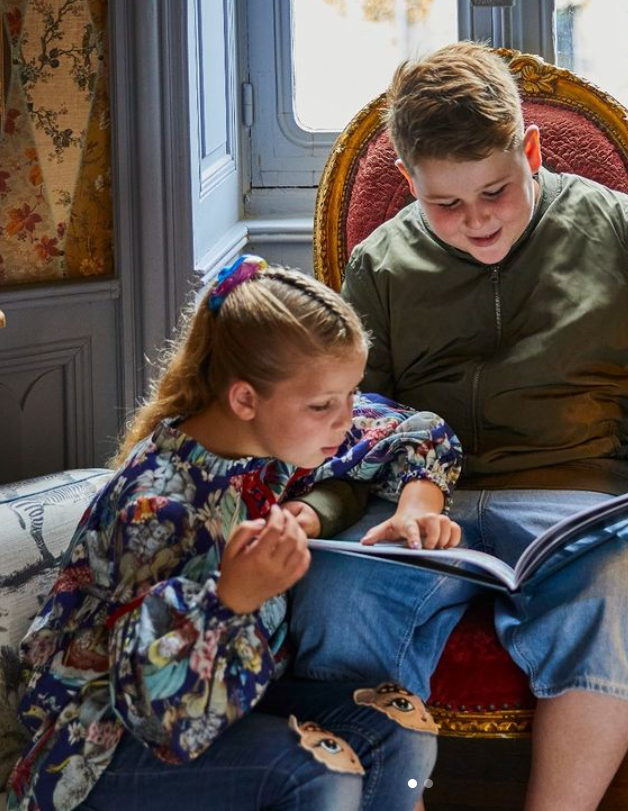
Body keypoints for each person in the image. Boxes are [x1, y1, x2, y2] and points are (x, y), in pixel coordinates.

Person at [288, 42, 628, 811]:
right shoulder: (379, 264)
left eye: (496, 190)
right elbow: (348, 419)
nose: (476, 221)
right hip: (425, 508)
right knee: (332, 597)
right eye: (445, 204)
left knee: (621, 597)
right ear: (408, 181)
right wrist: (326, 512)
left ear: (530, 149)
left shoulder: (614, 229)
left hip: (584, 500)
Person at [7, 255, 463, 811]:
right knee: (319, 772)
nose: (345, 419)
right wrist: (231, 600)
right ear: (245, 398)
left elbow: (415, 428)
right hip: (103, 749)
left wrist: (417, 500)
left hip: (227, 704)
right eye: (324, 404)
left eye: (351, 394)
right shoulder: (161, 514)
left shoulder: (268, 444)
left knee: (398, 724)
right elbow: (161, 721)